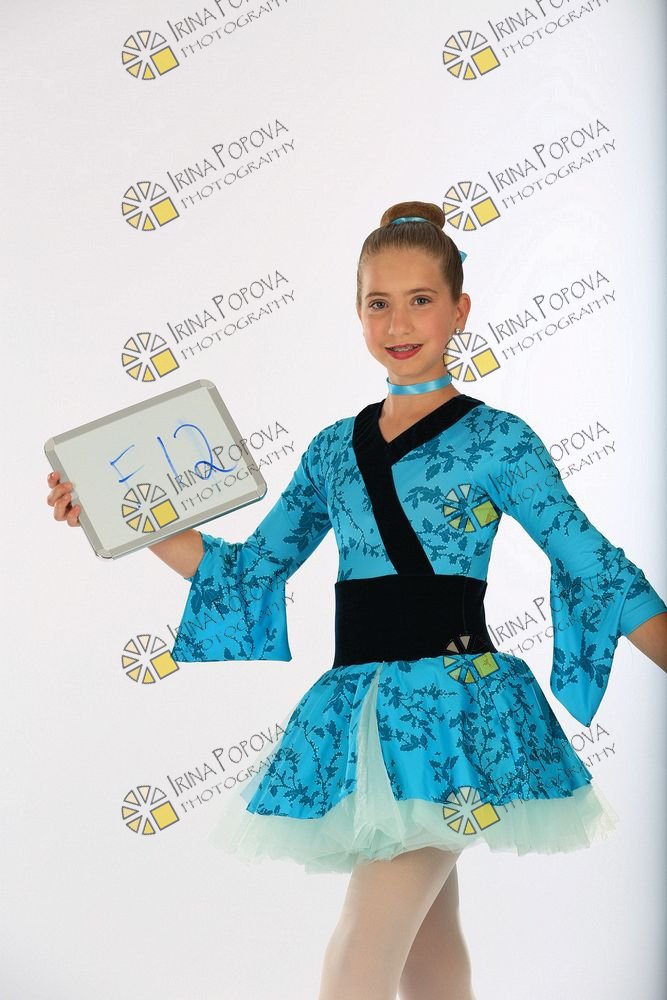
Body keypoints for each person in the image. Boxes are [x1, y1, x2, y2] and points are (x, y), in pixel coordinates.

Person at [47, 201, 667, 1000]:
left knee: (357, 958)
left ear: (459, 310)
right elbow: (250, 569)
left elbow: (595, 566)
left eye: (420, 300)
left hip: (451, 715)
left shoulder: (499, 440)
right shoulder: (332, 449)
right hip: (360, 713)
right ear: (357, 311)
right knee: (425, 946)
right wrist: (114, 510)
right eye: (378, 302)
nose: (398, 323)